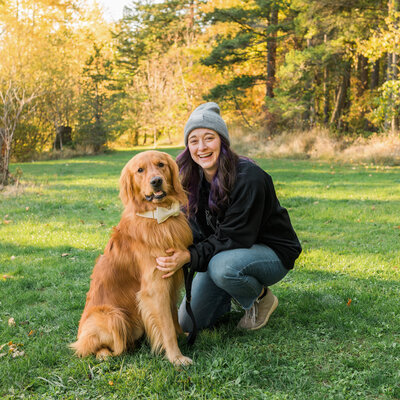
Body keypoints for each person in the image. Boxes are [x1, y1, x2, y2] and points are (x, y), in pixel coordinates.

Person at [156, 102, 302, 332]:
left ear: (222, 140)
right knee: (187, 323)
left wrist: (188, 256)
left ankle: (261, 298)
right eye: (194, 141)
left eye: (209, 138)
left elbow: (235, 236)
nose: (201, 147)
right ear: (188, 147)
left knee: (222, 268)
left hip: (270, 252)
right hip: (222, 252)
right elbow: (191, 228)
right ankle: (227, 294)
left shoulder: (249, 177)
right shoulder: (192, 179)